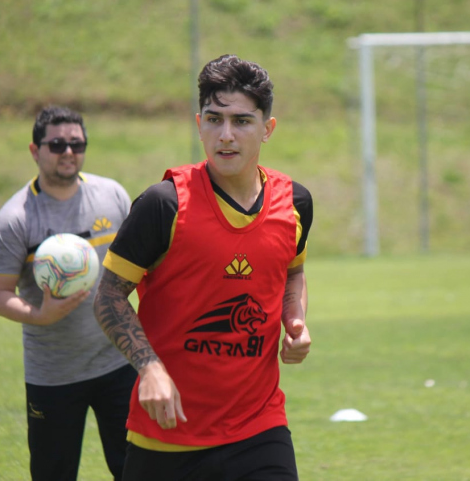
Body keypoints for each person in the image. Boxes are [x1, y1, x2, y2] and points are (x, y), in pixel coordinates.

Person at [93, 54, 314, 481]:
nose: (226, 135)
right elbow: (108, 294)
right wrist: (150, 368)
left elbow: (292, 272)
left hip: (259, 428)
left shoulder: (295, 204)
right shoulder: (163, 204)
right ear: (199, 124)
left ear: (267, 129)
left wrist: (296, 320)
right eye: (214, 119)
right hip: (168, 435)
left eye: (242, 122)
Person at [0, 105, 137, 481]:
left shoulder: (113, 196)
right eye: (56, 144)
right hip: (53, 373)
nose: (68, 152)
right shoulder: (14, 220)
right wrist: (41, 316)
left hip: (118, 362)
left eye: (76, 143)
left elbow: (139, 266)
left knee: (138, 470)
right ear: (35, 151)